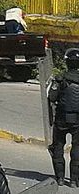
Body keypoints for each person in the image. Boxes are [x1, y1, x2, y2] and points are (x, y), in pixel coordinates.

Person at [48, 47, 79, 186]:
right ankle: (73, 180)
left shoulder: (60, 79)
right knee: (77, 149)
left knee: (58, 147)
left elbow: (52, 97)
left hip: (61, 118)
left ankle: (60, 178)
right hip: (78, 120)